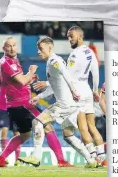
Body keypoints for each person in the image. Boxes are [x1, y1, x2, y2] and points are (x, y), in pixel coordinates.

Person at [0, 37, 71, 168]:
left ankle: (0, 159)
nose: (12, 48)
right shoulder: (7, 62)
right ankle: (61, 161)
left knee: (25, 135)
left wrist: (30, 78)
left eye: (14, 45)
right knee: (47, 126)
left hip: (16, 104)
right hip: (22, 104)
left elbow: (18, 82)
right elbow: (22, 81)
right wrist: (31, 72)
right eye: (8, 46)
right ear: (3, 48)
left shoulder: (11, 61)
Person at [30, 37, 99, 168]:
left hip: (65, 104)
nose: (38, 52)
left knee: (37, 122)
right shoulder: (51, 61)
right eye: (38, 49)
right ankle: (91, 161)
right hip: (72, 105)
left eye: (41, 49)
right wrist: (39, 96)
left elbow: (67, 74)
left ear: (50, 48)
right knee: (68, 135)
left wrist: (73, 90)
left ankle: (36, 156)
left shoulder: (54, 60)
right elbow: (56, 85)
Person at [66, 25, 106, 167]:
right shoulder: (90, 52)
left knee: (82, 128)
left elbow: (68, 76)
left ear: (80, 36)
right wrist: (95, 91)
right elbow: (95, 73)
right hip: (88, 91)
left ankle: (93, 158)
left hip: (77, 93)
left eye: (72, 36)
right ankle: (103, 158)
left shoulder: (75, 54)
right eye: (68, 37)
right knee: (92, 127)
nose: (69, 39)